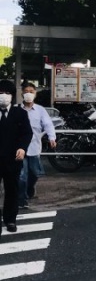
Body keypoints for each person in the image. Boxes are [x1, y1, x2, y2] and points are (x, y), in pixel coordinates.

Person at [0, 79, 32, 236]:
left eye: (7, 93)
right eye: (1, 93)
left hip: (13, 158)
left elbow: (27, 133)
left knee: (12, 189)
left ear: (12, 96)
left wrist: (22, 147)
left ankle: (10, 219)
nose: (4, 96)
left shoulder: (19, 113)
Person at [19, 82, 57, 210]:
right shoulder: (16, 110)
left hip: (34, 146)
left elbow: (48, 124)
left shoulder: (40, 110)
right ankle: (22, 199)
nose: (28, 94)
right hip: (19, 148)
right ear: (22, 93)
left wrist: (52, 138)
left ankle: (30, 189)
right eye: (26, 91)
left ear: (35, 94)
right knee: (21, 175)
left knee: (34, 173)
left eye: (31, 91)